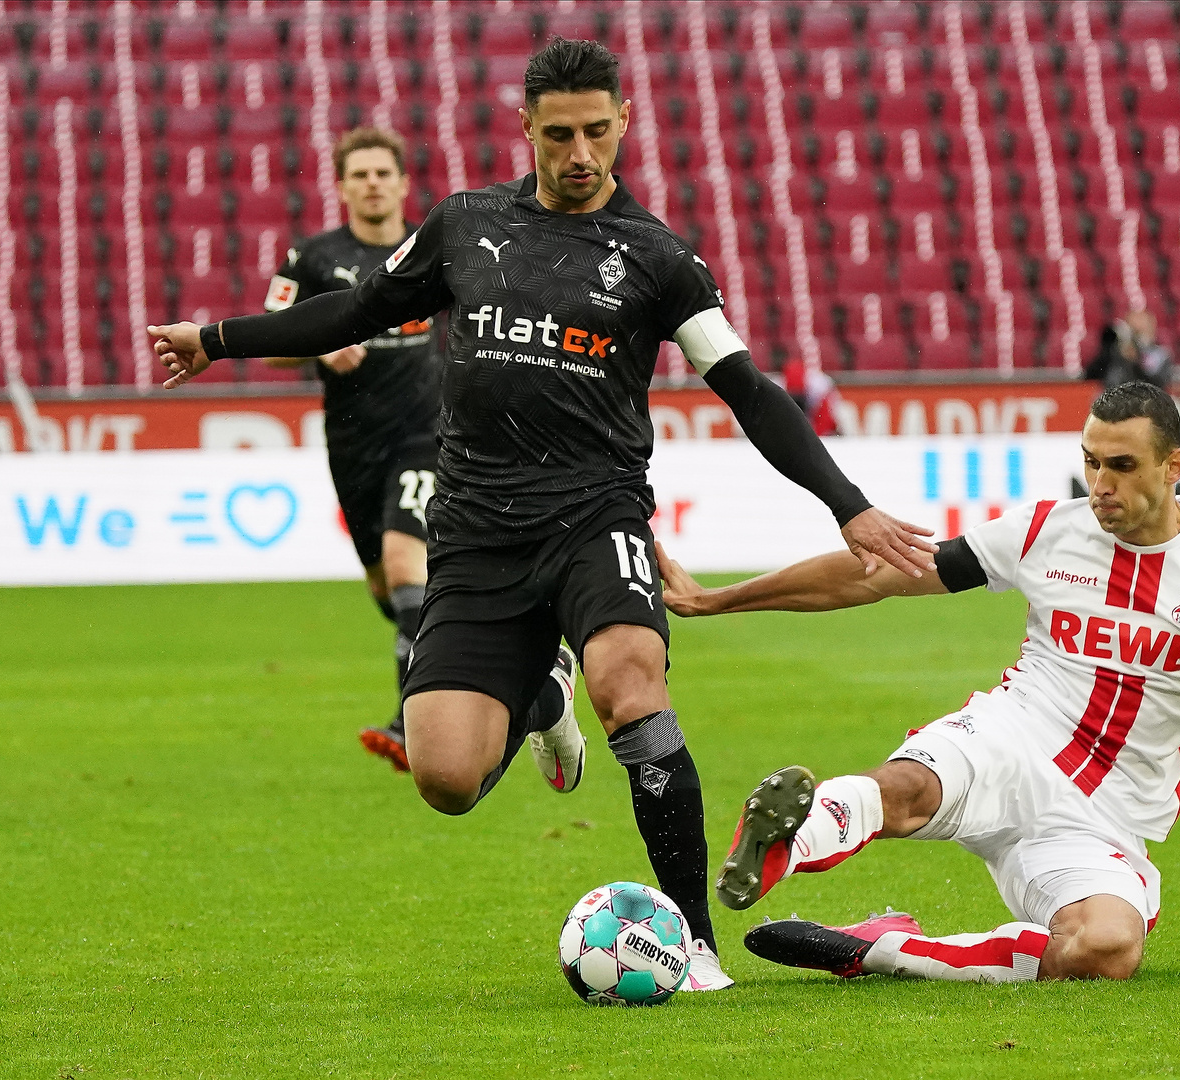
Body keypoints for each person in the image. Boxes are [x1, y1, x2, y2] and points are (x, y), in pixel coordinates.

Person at [148, 37, 936, 992]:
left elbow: (749, 389)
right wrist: (219, 338)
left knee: (633, 683)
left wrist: (845, 505)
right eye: (558, 133)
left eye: (596, 131)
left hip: (595, 517)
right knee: (443, 778)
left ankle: (693, 947)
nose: (579, 153)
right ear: (525, 127)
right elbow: (355, 311)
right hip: (476, 530)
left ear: (623, 124)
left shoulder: (659, 259)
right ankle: (541, 701)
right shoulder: (464, 225)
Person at [658, 381, 1180, 984]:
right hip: (1006, 741)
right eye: (1090, 462)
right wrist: (716, 599)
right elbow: (879, 575)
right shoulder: (1046, 529)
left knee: (1107, 949)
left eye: (1122, 466)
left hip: (1101, 820)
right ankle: (780, 845)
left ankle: (879, 948)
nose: (1100, 484)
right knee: (904, 791)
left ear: (1174, 466)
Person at [257, 126, 580, 775]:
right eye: (361, 174)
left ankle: (415, 720)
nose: (373, 182)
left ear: (402, 183)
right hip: (353, 446)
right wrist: (317, 344)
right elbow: (274, 337)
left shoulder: (434, 247)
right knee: (391, 591)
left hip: (428, 435)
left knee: (409, 569)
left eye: (384, 172)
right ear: (344, 185)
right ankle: (533, 665)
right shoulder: (311, 259)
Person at [1084, 309, 1174, 391]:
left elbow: (1157, 382)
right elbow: (1093, 374)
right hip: (1117, 401)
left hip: (1147, 402)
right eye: (1133, 330)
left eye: (1139, 330)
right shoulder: (1117, 352)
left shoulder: (1161, 354)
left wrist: (1135, 360)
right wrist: (1109, 350)